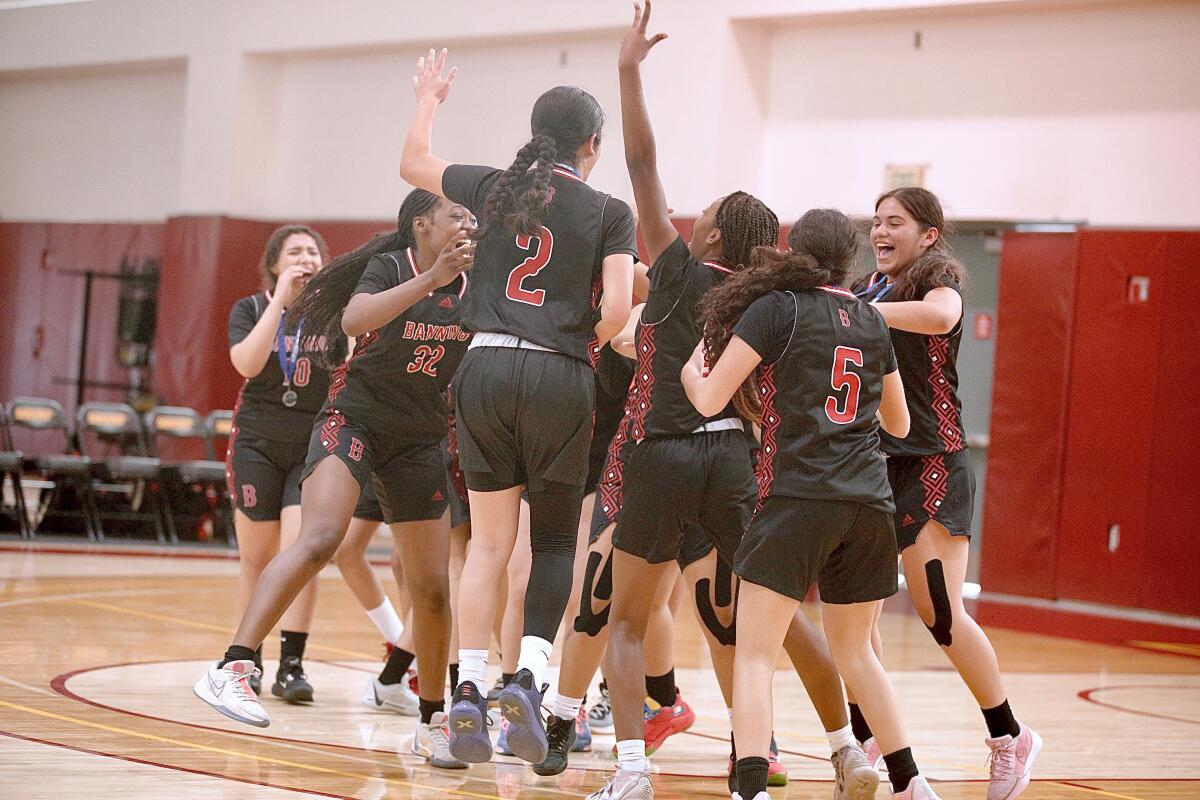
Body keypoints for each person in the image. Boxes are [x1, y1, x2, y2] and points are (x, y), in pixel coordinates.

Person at [590, 7, 866, 799]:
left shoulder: (675, 269)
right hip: (739, 462)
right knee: (777, 621)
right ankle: (848, 750)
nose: (693, 213)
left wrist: (628, 70)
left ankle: (632, 772)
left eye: (704, 212)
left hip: (667, 449)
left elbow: (640, 163)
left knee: (629, 622)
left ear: (710, 239)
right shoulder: (771, 295)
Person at [399, 48, 636, 765]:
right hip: (559, 376)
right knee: (555, 543)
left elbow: (414, 164)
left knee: (488, 546)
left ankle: (466, 688)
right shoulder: (610, 210)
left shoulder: (494, 186)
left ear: (536, 133)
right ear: (593, 144)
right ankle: (528, 677)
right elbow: (621, 307)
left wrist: (430, 98)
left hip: (483, 366)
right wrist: (574, 336)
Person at [194, 190, 476, 771]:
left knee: (430, 588)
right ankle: (234, 666)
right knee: (321, 538)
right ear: (422, 223)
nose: (468, 224)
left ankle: (431, 721)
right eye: (457, 215)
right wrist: (433, 278)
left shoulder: (477, 281)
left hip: (421, 439)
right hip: (353, 420)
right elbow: (356, 318)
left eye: (472, 218)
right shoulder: (392, 264)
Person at [682, 206, 948, 800]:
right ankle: (912, 783)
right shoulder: (872, 321)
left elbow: (708, 400)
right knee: (858, 654)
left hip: (798, 496)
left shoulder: (776, 309)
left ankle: (750, 789)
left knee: (754, 655)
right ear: (847, 259)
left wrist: (692, 369)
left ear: (791, 251)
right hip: (867, 502)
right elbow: (899, 423)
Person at [852, 187, 1041, 800]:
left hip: (931, 461)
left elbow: (941, 318)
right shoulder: (862, 289)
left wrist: (865, 317)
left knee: (939, 610)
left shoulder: (937, 282)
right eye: (876, 221)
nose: (881, 231)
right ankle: (869, 740)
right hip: (868, 464)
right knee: (855, 617)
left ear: (928, 233)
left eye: (895, 222)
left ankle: (1010, 737)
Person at [224, 224, 329, 701]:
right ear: (274, 264)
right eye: (294, 252)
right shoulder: (249, 308)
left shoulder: (333, 314)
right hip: (258, 444)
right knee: (257, 560)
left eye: (312, 251)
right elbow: (246, 363)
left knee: (300, 555)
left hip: (311, 445)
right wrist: (279, 303)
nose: (305, 258)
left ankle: (292, 663)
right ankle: (249, 660)